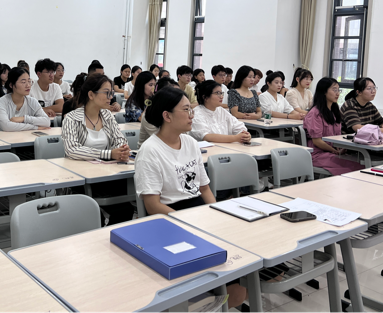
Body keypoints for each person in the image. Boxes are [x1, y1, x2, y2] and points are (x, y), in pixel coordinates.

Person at [135, 86, 247, 308]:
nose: (191, 115)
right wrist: (189, 224)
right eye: (186, 110)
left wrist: (218, 214)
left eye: (191, 109)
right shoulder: (150, 151)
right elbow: (152, 205)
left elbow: (204, 189)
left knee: (240, 261)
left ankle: (223, 291)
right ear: (167, 116)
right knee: (229, 284)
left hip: (197, 211)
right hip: (169, 217)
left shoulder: (190, 143)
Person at [62, 74, 134, 225]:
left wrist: (122, 149)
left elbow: (120, 139)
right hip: (82, 178)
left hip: (107, 175)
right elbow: (72, 149)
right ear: (91, 95)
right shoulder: (71, 118)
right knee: (97, 215)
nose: (111, 97)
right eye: (106, 93)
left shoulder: (107, 115)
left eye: (111, 93)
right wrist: (108, 154)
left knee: (125, 209)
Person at [305, 78, 364, 175]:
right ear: (324, 91)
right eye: (334, 90)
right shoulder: (315, 113)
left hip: (332, 152)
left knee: (362, 163)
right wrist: (334, 150)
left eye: (338, 90)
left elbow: (337, 136)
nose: (338, 93)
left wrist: (341, 148)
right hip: (317, 155)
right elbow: (317, 141)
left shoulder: (334, 112)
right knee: (355, 167)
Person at [0, 67, 51, 132]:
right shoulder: (0, 102)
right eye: (23, 82)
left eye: (29, 81)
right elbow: (6, 126)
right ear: (11, 85)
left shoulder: (32, 101)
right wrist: (35, 127)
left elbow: (47, 122)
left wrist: (24, 118)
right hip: (2, 137)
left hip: (25, 136)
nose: (28, 85)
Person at [138, 77, 180, 148]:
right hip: (152, 151)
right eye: (175, 95)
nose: (180, 98)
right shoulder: (149, 116)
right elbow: (164, 140)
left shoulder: (177, 112)